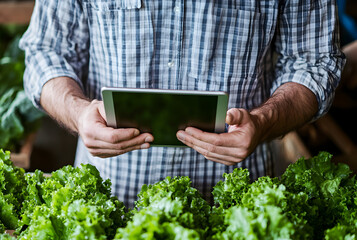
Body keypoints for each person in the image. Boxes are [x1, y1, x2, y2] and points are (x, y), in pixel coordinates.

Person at [19, 0, 345, 207]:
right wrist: (78, 114)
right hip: (109, 202)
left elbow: (314, 60)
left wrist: (263, 122)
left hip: (236, 207)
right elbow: (47, 52)